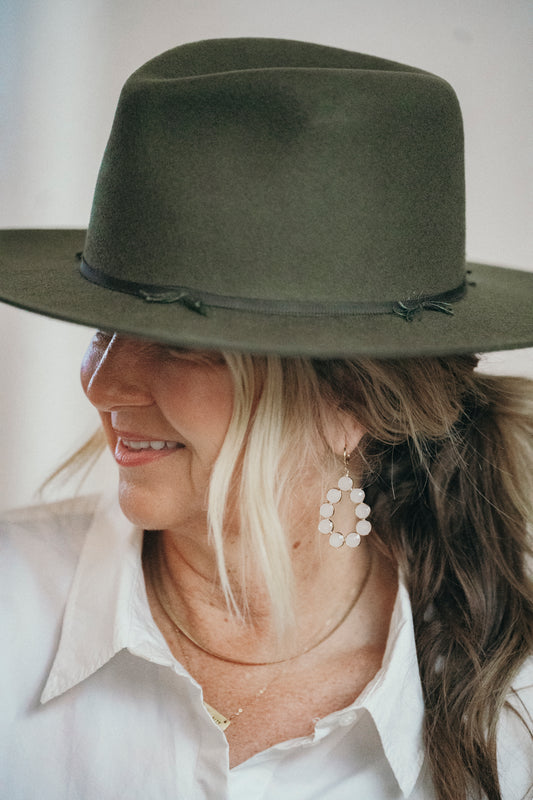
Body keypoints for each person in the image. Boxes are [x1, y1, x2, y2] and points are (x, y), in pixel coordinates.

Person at [0, 38, 531, 800]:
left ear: (351, 403)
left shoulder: (512, 723)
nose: (102, 381)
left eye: (180, 344)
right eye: (103, 328)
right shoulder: (10, 607)